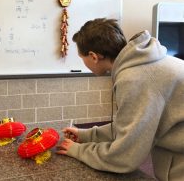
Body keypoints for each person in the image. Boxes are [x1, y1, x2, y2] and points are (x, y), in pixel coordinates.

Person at [56, 18, 184, 181]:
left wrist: (78, 150)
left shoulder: (135, 78)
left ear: (94, 56)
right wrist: (87, 135)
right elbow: (130, 124)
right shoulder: (144, 63)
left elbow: (125, 156)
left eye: (82, 58)